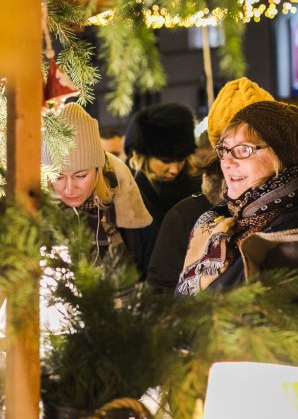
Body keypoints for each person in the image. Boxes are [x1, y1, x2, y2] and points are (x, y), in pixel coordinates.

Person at [176, 101, 298, 294]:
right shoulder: (231, 218)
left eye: (243, 150)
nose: (226, 162)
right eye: (224, 149)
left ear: (284, 156)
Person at [147, 78, 274, 293]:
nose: (233, 161)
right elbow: (161, 295)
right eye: (226, 149)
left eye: (246, 148)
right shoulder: (187, 216)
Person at [47, 103, 153, 276]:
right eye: (58, 177)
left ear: (98, 170)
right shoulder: (35, 209)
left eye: (80, 176)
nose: (69, 188)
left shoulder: (127, 201)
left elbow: (150, 269)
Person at [125, 102, 201, 239]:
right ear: (144, 157)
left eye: (180, 160)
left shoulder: (199, 187)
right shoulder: (127, 190)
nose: (174, 170)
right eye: (165, 161)